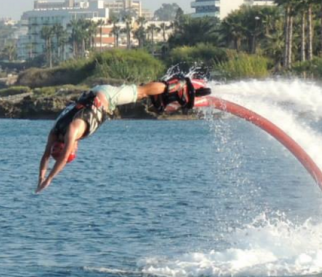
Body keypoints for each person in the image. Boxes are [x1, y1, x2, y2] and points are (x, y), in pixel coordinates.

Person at [36, 77, 210, 193]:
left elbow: (62, 158)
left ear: (70, 147)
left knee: (141, 91)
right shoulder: (54, 132)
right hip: (94, 93)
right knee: (141, 95)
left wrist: (50, 178)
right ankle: (162, 96)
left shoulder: (74, 131)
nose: (75, 146)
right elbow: (45, 157)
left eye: (71, 148)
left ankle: (175, 85)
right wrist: (41, 177)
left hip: (107, 96)